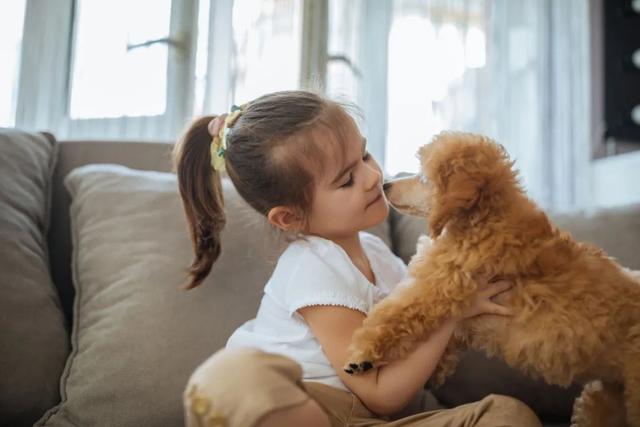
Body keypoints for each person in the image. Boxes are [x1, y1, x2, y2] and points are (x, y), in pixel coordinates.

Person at [172, 90, 542, 427]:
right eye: (346, 180)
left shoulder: (378, 254)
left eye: (364, 155)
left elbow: (417, 325)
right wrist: (452, 309)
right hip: (307, 407)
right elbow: (379, 392)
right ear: (291, 217)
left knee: (509, 416)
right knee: (232, 383)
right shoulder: (313, 268)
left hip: (369, 420)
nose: (371, 177)